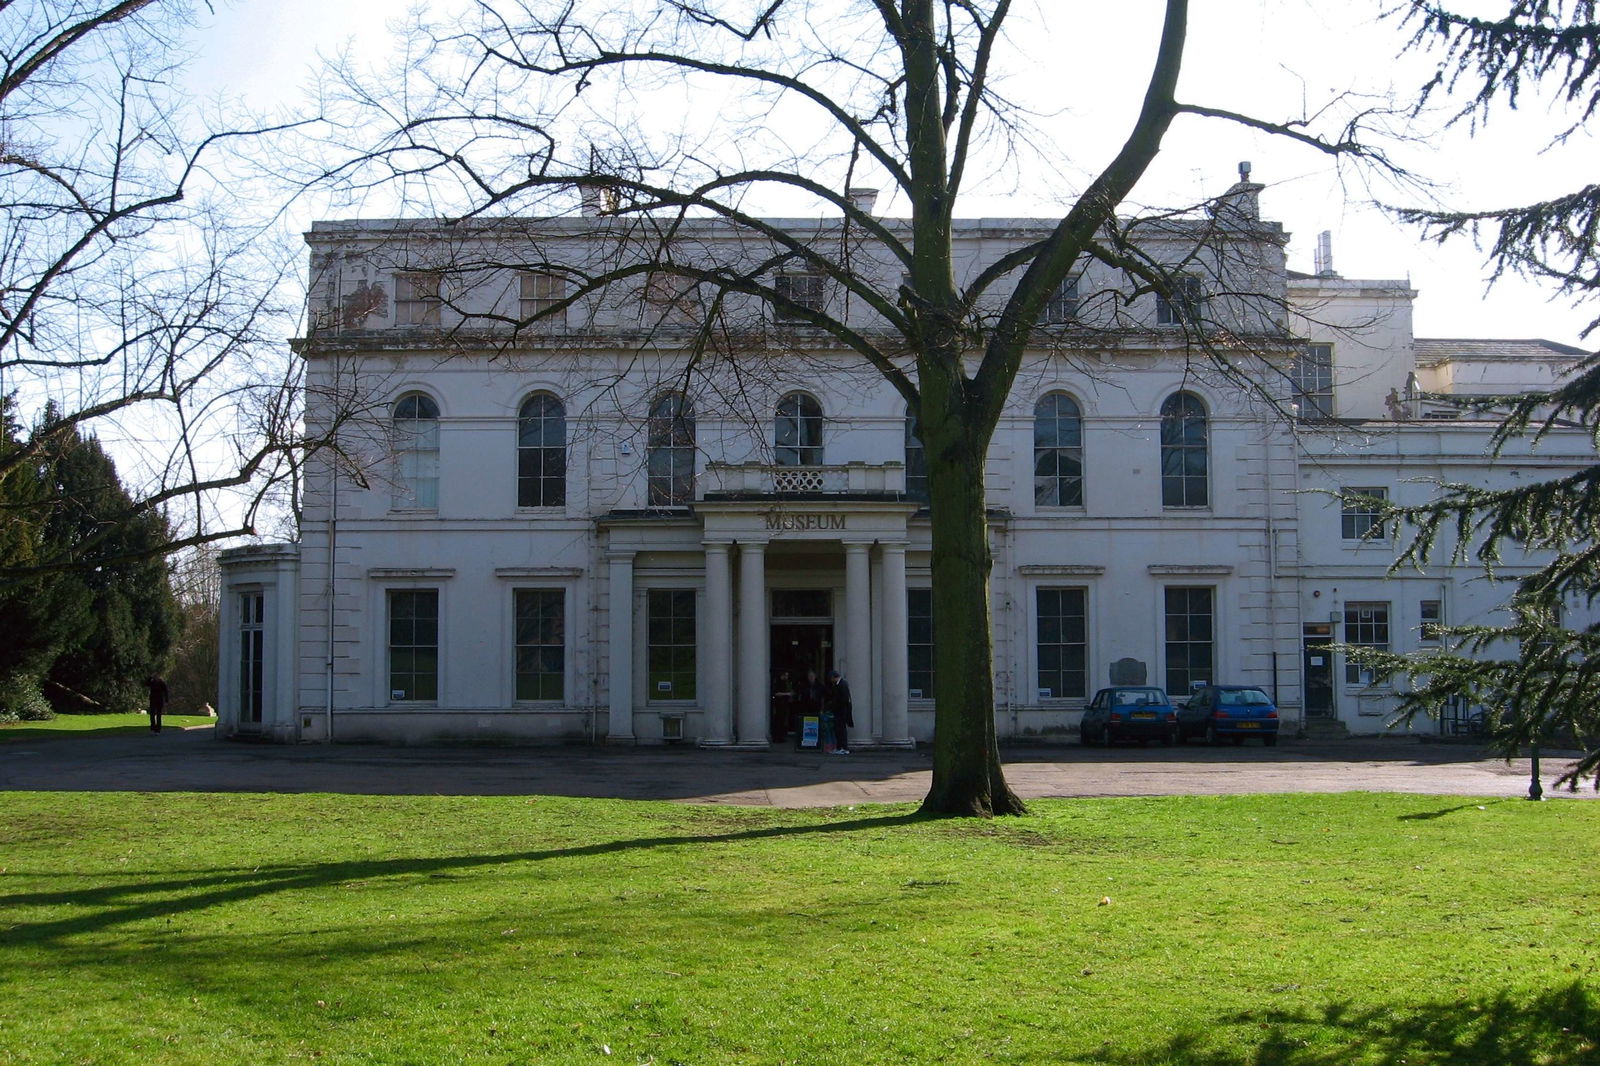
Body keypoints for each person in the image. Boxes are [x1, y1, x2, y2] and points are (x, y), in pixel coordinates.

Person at [825, 669, 854, 755]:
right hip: (840, 710)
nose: (830, 680)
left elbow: (843, 699)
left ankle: (843, 747)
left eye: (831, 678)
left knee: (841, 729)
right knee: (839, 729)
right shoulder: (840, 684)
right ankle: (840, 747)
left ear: (833, 677)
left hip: (841, 711)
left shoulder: (842, 685)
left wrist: (835, 706)